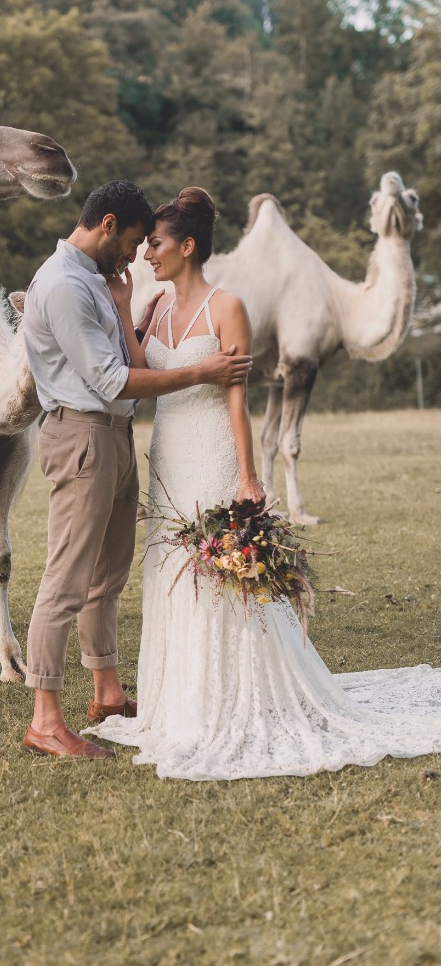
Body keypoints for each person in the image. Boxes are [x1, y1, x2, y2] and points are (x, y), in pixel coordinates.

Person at [86, 186, 441, 779]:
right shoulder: (156, 308)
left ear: (188, 246)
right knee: (168, 571)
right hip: (169, 453)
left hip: (215, 455)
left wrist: (249, 478)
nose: (147, 253)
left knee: (218, 575)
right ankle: (180, 701)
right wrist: (126, 310)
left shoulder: (228, 308)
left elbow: (237, 402)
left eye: (156, 244)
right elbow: (139, 372)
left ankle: (230, 699)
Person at [22, 180, 253, 759]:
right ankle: (46, 720)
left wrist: (128, 312)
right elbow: (110, 378)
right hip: (82, 437)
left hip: (116, 437)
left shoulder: (96, 283)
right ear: (106, 226)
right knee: (66, 581)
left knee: (108, 576)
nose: (135, 255)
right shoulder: (63, 285)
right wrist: (200, 373)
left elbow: (128, 359)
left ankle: (106, 692)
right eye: (131, 241)